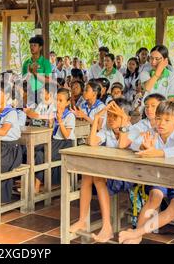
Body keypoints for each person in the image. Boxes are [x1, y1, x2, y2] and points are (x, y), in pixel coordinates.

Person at [120, 102, 174, 244]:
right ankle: (138, 235)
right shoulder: (152, 132)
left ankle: (137, 232)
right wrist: (143, 146)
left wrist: (154, 152)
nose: (161, 123)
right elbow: (133, 144)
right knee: (155, 196)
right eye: (158, 118)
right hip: (159, 177)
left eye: (166, 120)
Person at [71, 99, 133, 243]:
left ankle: (107, 227)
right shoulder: (107, 131)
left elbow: (123, 146)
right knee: (87, 174)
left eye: (114, 116)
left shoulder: (132, 128)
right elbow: (92, 142)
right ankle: (82, 220)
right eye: (109, 115)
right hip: (110, 172)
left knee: (97, 178)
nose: (110, 119)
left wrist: (124, 121)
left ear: (125, 117)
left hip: (127, 175)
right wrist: (97, 118)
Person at [21, 36, 52, 105]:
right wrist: (29, 74)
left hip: (41, 94)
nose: (32, 47)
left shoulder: (45, 63)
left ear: (40, 47)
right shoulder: (26, 63)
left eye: (35, 45)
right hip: (28, 93)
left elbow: (48, 80)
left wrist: (35, 73)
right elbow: (23, 80)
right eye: (31, 45)